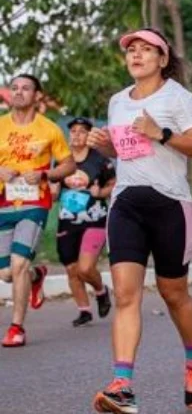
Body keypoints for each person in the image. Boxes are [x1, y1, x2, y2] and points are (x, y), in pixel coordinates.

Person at [88, 27, 192, 413]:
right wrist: (107, 145)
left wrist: (161, 133)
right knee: (127, 294)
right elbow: (128, 151)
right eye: (132, 50)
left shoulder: (180, 97)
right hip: (126, 204)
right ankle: (122, 384)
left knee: (174, 293)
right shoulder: (117, 102)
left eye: (146, 49)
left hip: (170, 205)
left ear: (163, 59)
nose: (137, 55)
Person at [0, 74, 76, 347]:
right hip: (3, 204)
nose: (19, 93)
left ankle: (16, 328)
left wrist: (46, 174)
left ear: (36, 96)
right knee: (7, 273)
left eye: (26, 88)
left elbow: (69, 165)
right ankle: (36, 276)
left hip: (35, 203)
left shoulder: (49, 129)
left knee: (19, 264)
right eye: (15, 88)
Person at [53, 117, 114, 327]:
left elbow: (114, 184)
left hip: (94, 219)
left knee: (85, 268)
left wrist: (101, 192)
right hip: (67, 220)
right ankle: (84, 310)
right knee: (71, 269)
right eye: (74, 131)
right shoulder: (62, 160)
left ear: (89, 135)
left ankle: (101, 291)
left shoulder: (99, 160)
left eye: (82, 131)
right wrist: (52, 189)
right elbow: (55, 188)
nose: (77, 135)